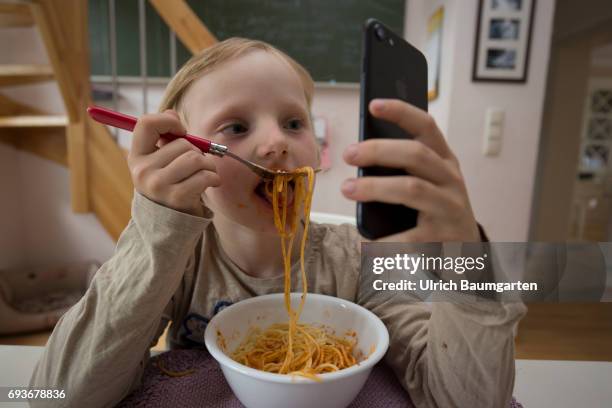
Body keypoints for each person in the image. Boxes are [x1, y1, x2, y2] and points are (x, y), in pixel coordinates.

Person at [30, 38, 525, 407]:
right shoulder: (179, 258)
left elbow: (464, 399)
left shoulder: (359, 257)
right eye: (236, 127)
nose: (276, 143)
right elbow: (57, 394)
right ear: (185, 155)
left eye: (294, 122)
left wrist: (468, 260)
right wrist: (158, 228)